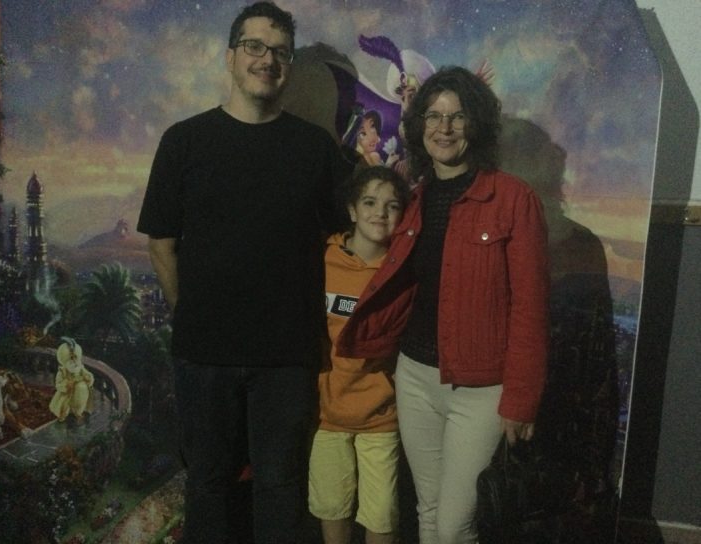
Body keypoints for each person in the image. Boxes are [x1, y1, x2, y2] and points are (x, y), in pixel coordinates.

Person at [136, 2, 348, 542]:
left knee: (281, 487)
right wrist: (194, 315)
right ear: (230, 57)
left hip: (287, 358)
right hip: (205, 354)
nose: (267, 60)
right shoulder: (184, 141)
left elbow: (344, 242)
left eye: (280, 51)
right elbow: (161, 244)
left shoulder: (315, 149)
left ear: (289, 66)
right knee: (207, 484)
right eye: (255, 46)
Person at [337, 66, 550, 543]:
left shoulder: (514, 200)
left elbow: (531, 310)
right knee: (429, 511)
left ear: (476, 124)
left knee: (454, 527)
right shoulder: (413, 200)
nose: (444, 127)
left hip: (480, 391)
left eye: (457, 116)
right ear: (420, 126)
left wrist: (522, 400)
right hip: (414, 378)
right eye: (434, 116)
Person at [309, 166, 409, 544]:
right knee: (331, 506)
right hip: (326, 414)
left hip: (381, 416)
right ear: (352, 210)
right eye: (369, 202)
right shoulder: (323, 259)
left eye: (392, 206)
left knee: (381, 514)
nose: (380, 213)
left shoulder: (402, 272)